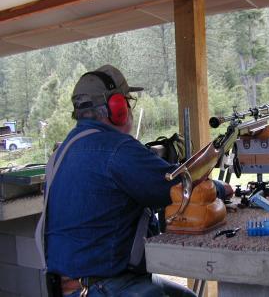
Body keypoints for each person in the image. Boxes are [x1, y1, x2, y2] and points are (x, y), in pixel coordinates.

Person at [44, 65, 196, 297]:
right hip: (105, 287)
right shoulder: (117, 149)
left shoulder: (62, 151)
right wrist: (221, 188)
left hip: (73, 287)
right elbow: (179, 186)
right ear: (116, 108)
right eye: (126, 101)